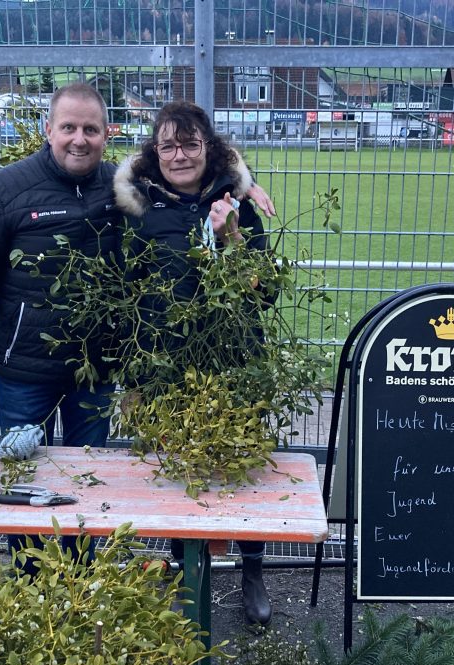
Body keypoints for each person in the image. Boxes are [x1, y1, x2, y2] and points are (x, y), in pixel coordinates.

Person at [0, 82, 121, 570]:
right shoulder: (4, 191)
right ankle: (29, 582)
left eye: (91, 129)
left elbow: (190, 169)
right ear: (48, 130)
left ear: (107, 133)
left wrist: (242, 184)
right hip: (25, 371)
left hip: (95, 370)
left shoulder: (124, 187)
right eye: (68, 127)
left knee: (86, 480)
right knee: (22, 480)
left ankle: (80, 578)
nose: (79, 139)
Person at [113, 100, 274, 626]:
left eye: (189, 144)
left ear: (209, 147)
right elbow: (127, 293)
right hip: (166, 366)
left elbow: (265, 292)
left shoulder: (237, 203)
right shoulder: (139, 211)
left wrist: (232, 235)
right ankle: (185, 569)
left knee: (243, 465)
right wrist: (136, 371)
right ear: (154, 152)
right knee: (176, 468)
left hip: (234, 360)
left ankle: (253, 570)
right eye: (168, 146)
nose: (179, 155)